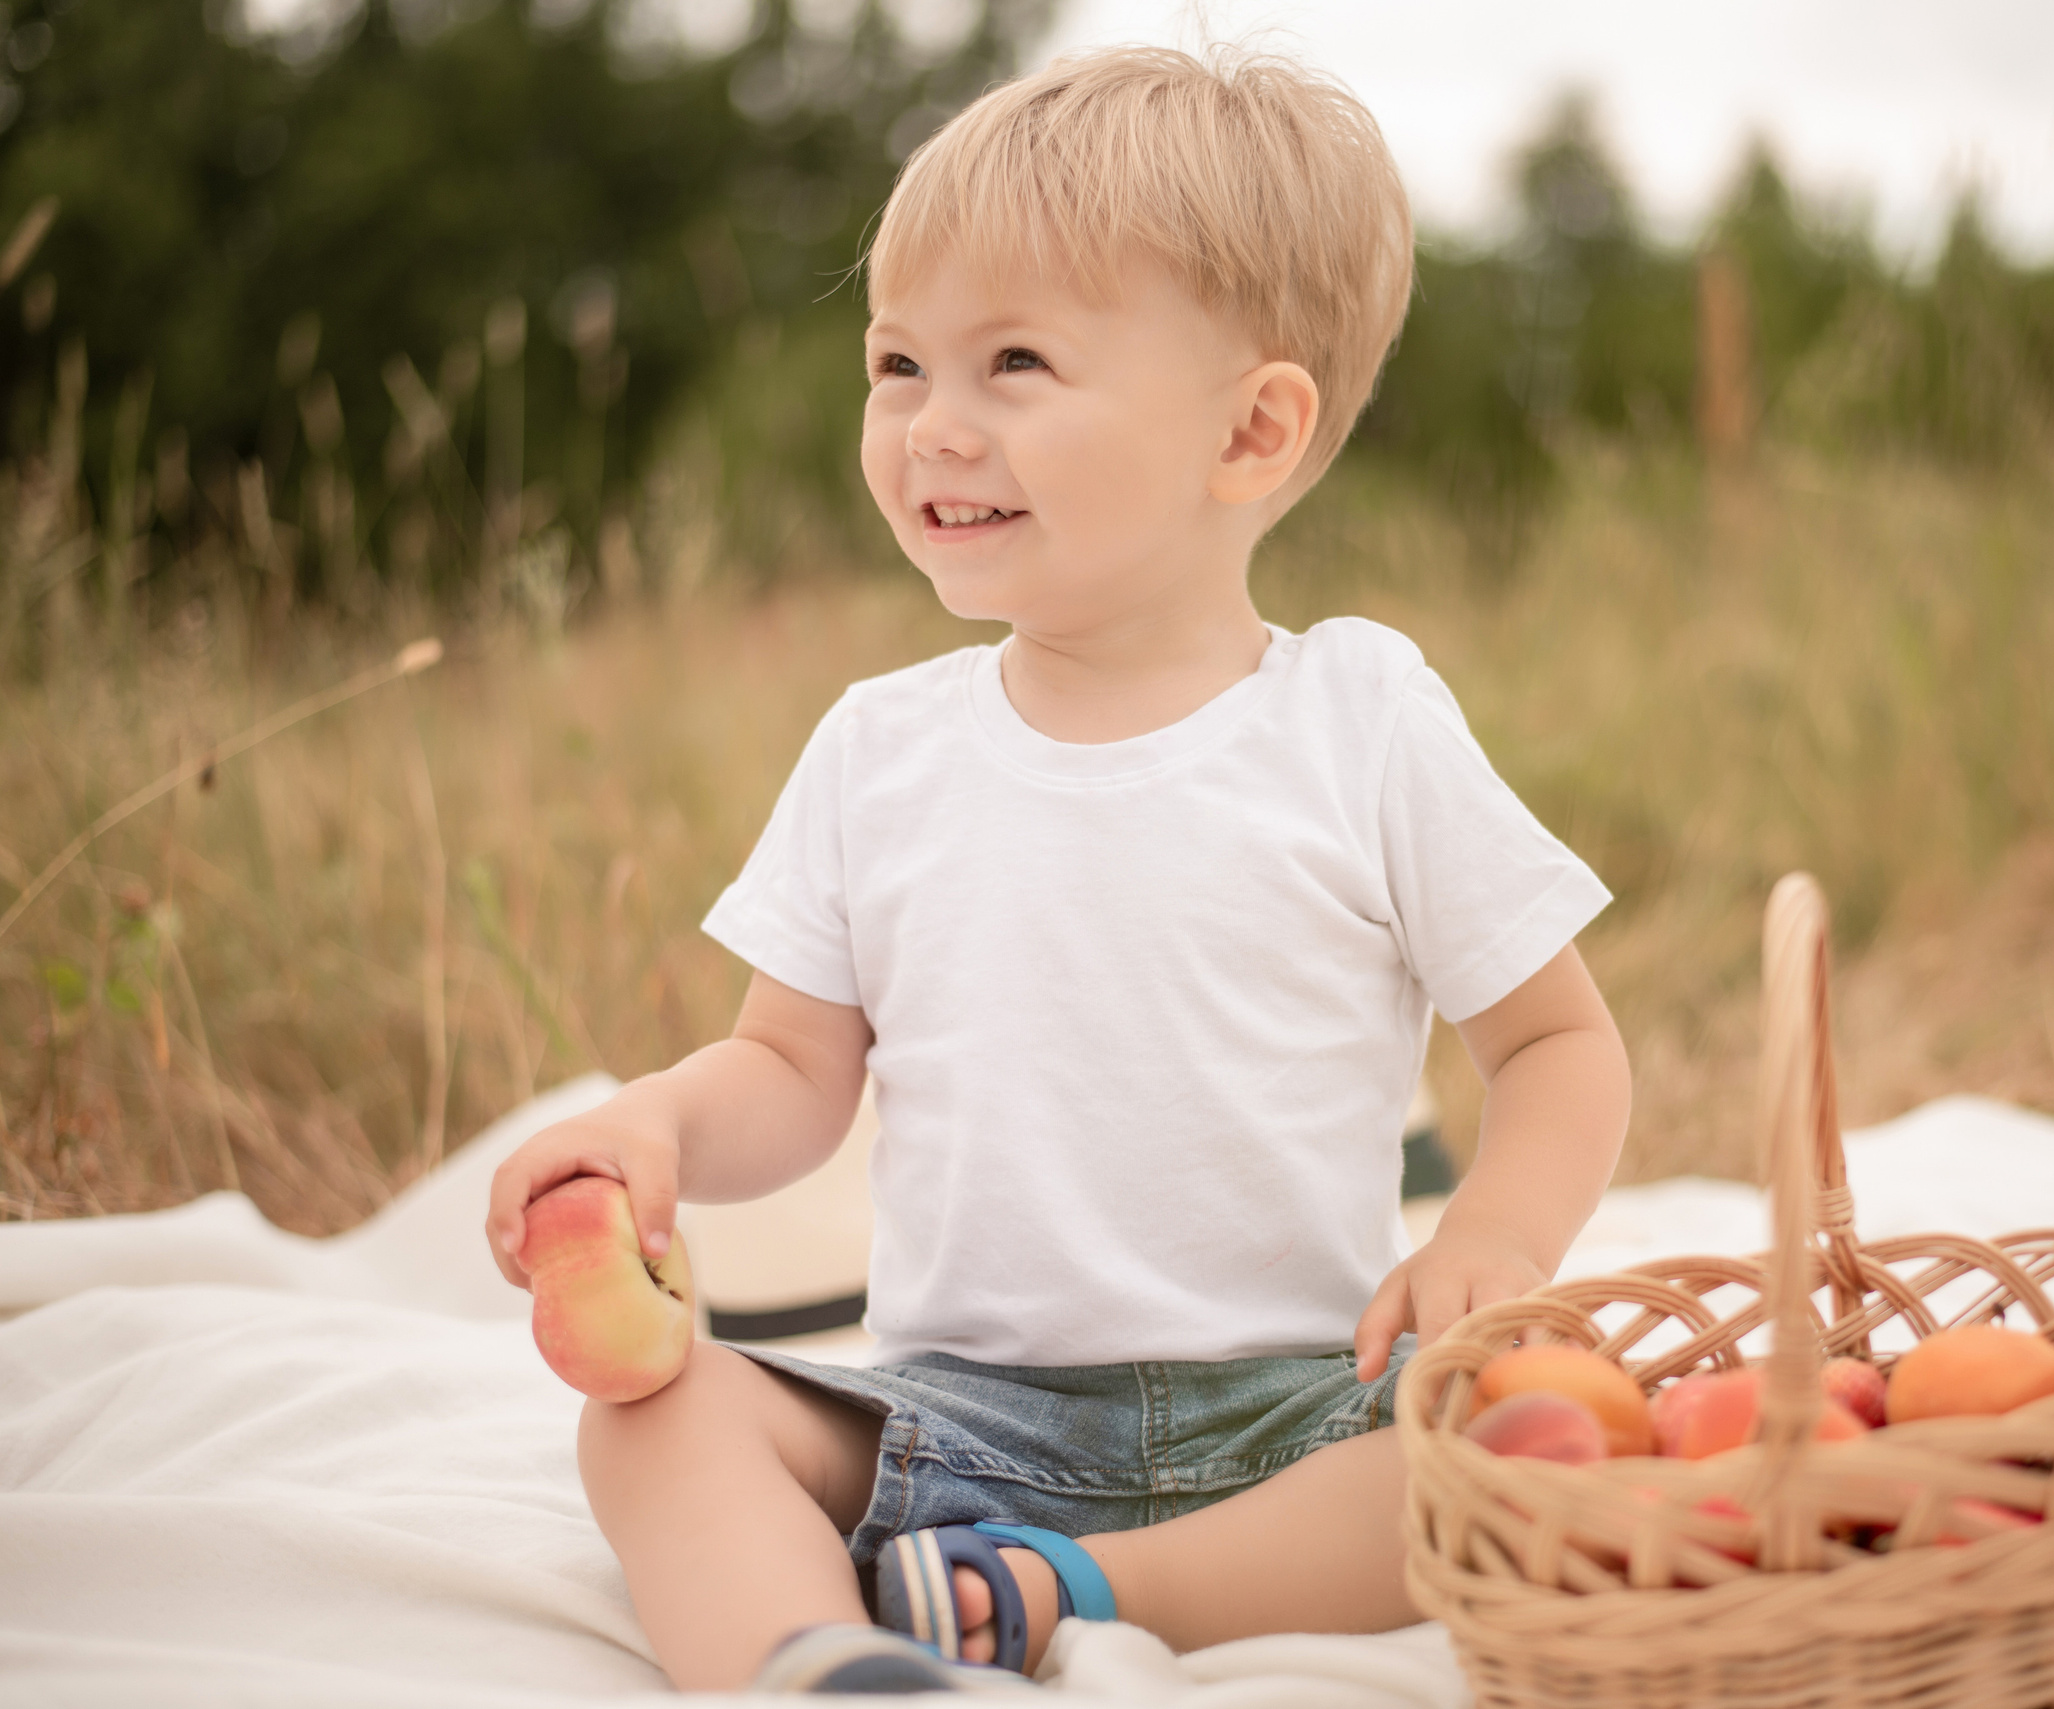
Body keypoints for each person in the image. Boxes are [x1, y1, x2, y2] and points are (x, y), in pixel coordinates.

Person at [482, 43, 1631, 1696]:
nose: (932, 427)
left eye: (1014, 362)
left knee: (1516, 1442)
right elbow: (791, 1071)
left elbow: (1558, 1045)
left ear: (1250, 429)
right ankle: (817, 1659)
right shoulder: (883, 751)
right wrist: (655, 1121)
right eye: (896, 364)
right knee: (656, 1418)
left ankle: (1089, 1587)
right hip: (958, 1421)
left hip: (1301, 1410)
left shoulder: (1361, 717)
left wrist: (1498, 1245)